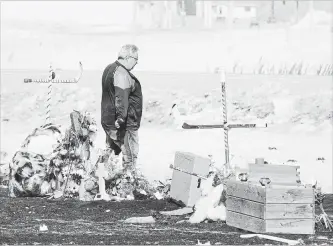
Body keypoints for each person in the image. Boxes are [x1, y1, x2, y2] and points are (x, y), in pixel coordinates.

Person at [101, 44, 142, 176]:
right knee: (129, 156)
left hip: (108, 120)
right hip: (124, 125)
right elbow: (121, 98)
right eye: (136, 59)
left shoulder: (109, 68)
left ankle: (99, 178)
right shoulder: (122, 73)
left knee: (110, 152)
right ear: (128, 57)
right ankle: (128, 186)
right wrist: (121, 118)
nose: (136, 63)